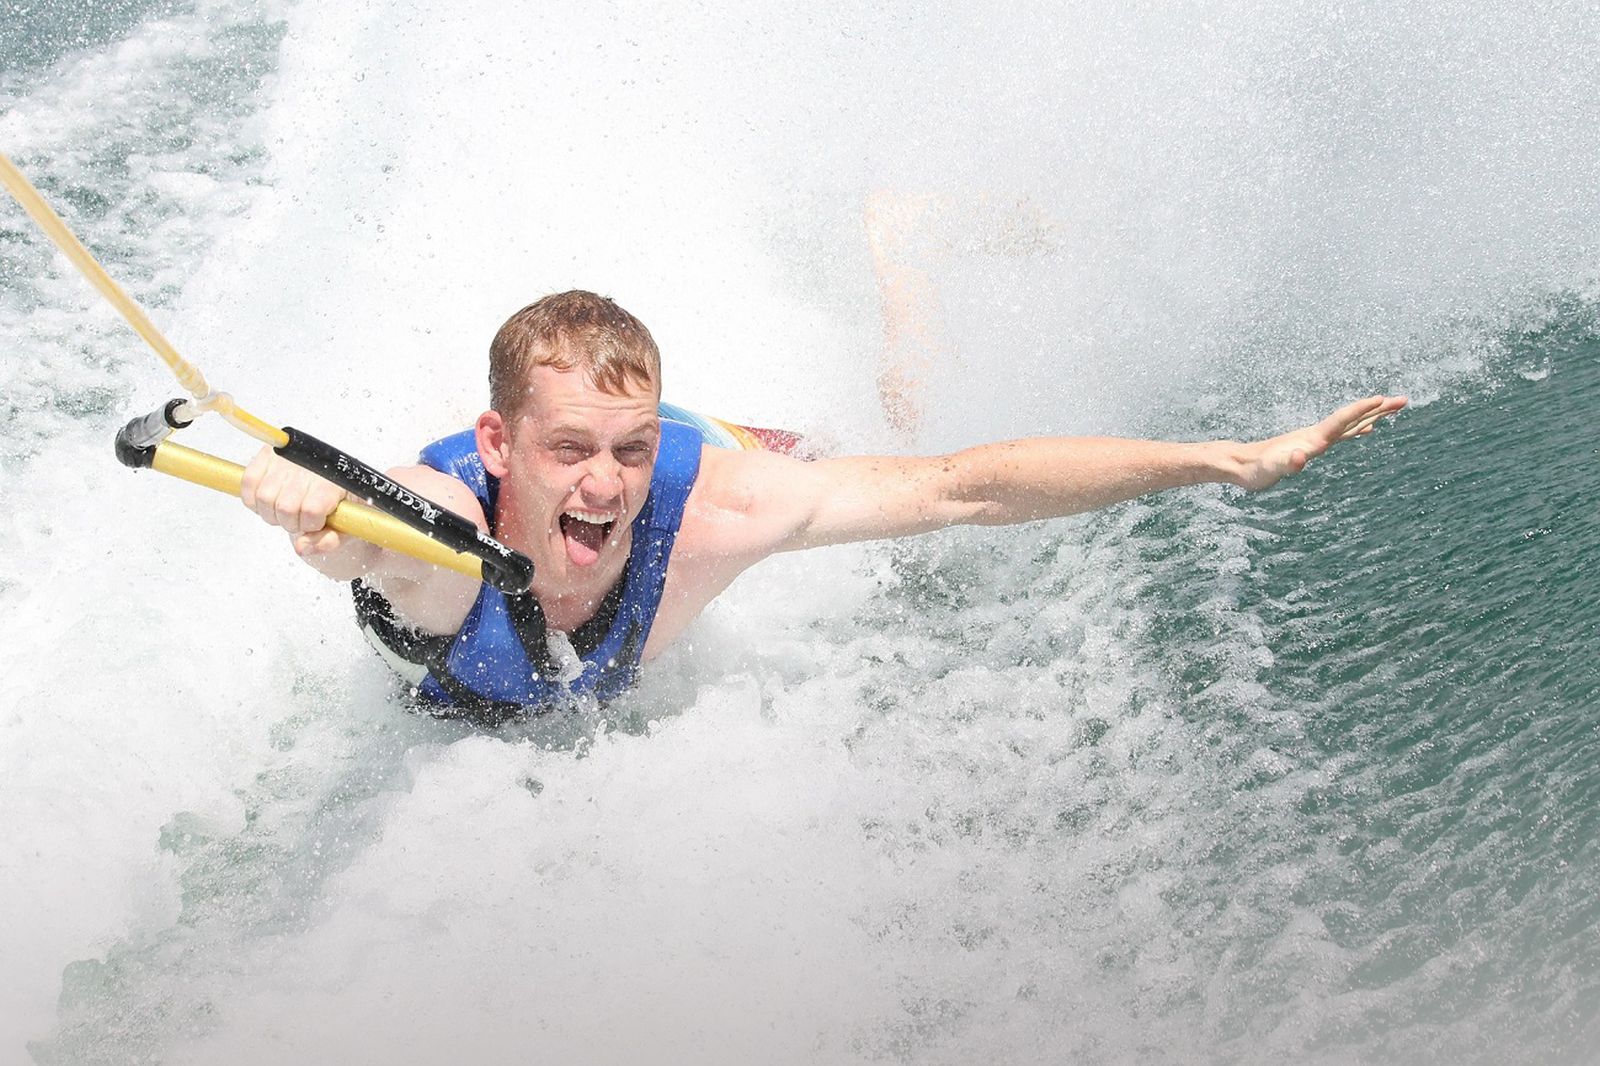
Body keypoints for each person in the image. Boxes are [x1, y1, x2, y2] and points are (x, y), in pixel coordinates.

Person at [240, 290, 1405, 722]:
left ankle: (906, 292)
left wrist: (1226, 460)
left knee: (879, 457)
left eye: (628, 449)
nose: (603, 485)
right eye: (569, 450)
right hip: (451, 562)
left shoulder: (704, 510)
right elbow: (368, 533)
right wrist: (315, 506)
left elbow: (967, 489)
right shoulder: (456, 531)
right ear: (503, 444)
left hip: (727, 450)